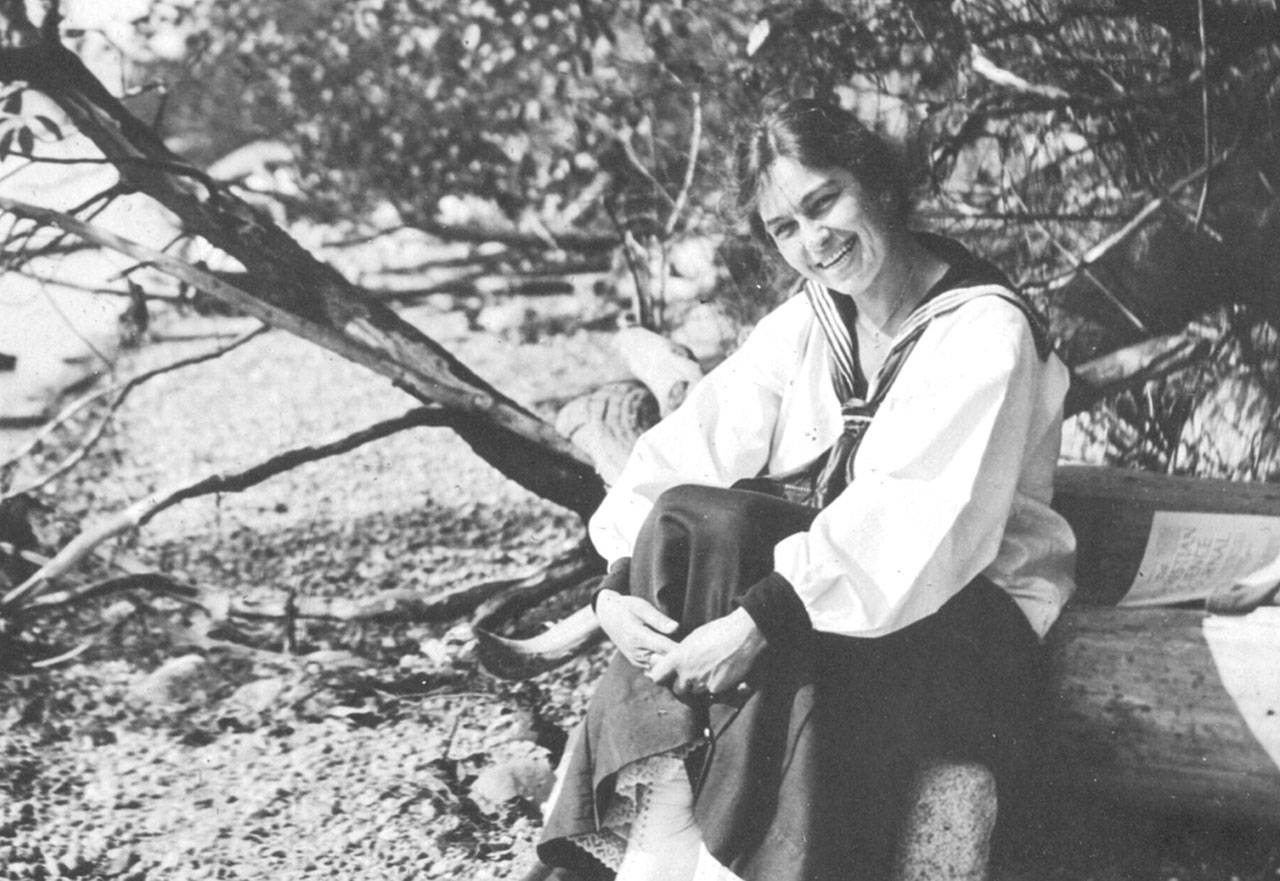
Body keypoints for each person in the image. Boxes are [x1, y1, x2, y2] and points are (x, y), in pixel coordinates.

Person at [535, 98, 1077, 881]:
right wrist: (615, 591)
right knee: (701, 517)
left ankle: (633, 859)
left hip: (970, 631)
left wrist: (757, 620)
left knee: (767, 610)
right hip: (843, 611)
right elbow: (692, 444)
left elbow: (911, 519)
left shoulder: (982, 328)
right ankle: (661, 852)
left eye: (825, 202)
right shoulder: (812, 324)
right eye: (786, 228)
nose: (814, 240)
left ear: (879, 185)